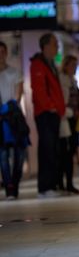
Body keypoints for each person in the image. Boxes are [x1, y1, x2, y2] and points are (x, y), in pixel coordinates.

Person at [30, 33, 65, 198]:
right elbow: (39, 90)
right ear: (45, 46)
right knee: (47, 149)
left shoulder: (50, 64)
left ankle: (50, 185)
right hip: (45, 114)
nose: (57, 47)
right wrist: (50, 107)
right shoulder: (38, 65)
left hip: (53, 113)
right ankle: (45, 187)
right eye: (54, 44)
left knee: (52, 149)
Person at [0, 41, 27, 200]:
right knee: (3, 155)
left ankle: (15, 183)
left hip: (14, 117)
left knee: (19, 153)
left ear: (6, 53)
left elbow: (18, 94)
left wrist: (10, 106)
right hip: (1, 120)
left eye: (3, 51)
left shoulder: (15, 72)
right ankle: (9, 186)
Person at [57, 55, 79, 194]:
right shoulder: (62, 80)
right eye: (72, 64)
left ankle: (68, 183)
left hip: (74, 120)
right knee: (64, 152)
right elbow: (63, 101)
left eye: (76, 65)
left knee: (71, 151)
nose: (74, 67)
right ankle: (63, 183)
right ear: (66, 65)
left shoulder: (73, 80)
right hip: (65, 119)